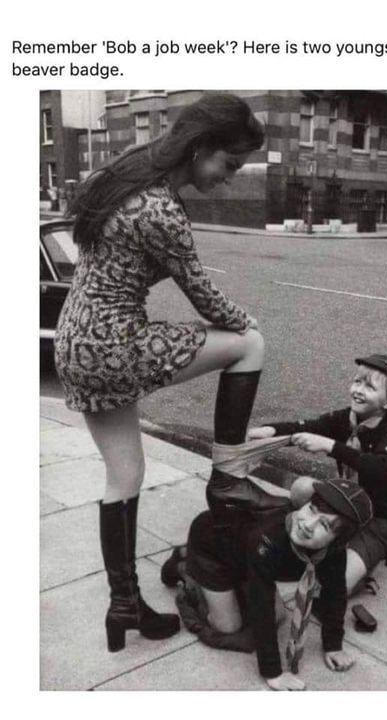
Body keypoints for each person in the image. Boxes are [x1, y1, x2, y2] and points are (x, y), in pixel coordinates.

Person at [54, 93, 277, 653]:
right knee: (249, 343)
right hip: (113, 343)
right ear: (201, 148)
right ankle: (228, 474)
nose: (228, 180)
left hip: (75, 341)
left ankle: (124, 604)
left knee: (124, 477)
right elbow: (205, 298)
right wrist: (245, 320)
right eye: (227, 166)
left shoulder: (123, 173)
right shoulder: (160, 210)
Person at [184, 477, 372, 690]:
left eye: (324, 525)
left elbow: (335, 593)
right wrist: (272, 672)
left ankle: (230, 586)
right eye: (311, 510)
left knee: (279, 617)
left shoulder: (332, 551)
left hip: (246, 559)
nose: (308, 525)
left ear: (338, 542)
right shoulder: (269, 538)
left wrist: (333, 645)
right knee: (229, 627)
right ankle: (187, 576)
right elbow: (260, 604)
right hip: (211, 550)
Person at [248, 354, 387, 596]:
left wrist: (330, 446)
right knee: (301, 488)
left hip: (379, 518)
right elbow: (308, 426)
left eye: (369, 387)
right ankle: (337, 537)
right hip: (345, 502)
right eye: (357, 382)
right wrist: (271, 430)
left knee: (334, 588)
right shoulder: (346, 418)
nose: (358, 390)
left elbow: (380, 467)